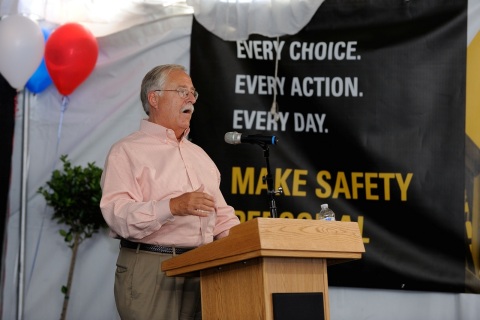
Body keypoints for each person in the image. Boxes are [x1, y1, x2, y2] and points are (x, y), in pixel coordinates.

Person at [100, 64, 240, 320]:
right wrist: (172, 206)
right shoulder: (126, 151)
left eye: (193, 93)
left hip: (202, 267)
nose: (191, 99)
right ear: (154, 98)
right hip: (152, 268)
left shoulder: (200, 156)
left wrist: (248, 241)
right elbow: (117, 214)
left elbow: (221, 218)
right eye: (182, 91)